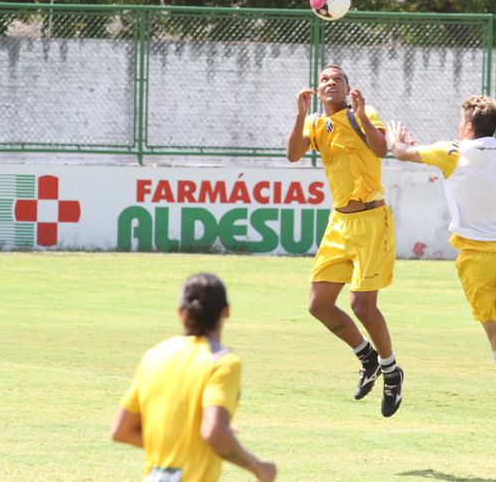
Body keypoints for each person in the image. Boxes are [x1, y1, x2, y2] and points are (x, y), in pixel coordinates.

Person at [387, 95, 496, 442]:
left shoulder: (452, 153)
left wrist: (395, 138)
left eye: (461, 120)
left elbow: (400, 153)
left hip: (475, 259)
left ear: (469, 126)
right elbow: (485, 149)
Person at [285, 65, 403, 417]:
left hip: (372, 220)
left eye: (337, 78)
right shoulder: (316, 124)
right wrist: (300, 115)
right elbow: (292, 155)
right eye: (324, 79)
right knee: (318, 305)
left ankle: (392, 371)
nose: (330, 82)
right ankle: (367, 358)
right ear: (318, 92)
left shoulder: (363, 115)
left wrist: (363, 116)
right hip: (339, 223)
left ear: (348, 87)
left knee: (362, 305)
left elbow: (382, 150)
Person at [110, 273, 278, 481]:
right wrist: (258, 467)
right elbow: (213, 432)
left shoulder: (154, 356)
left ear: (181, 313)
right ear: (226, 311)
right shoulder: (222, 362)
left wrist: (191, 437)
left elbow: (121, 430)